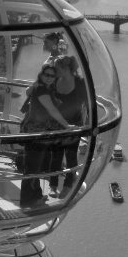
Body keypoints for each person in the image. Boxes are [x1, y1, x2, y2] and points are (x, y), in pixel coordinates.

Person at [19, 64, 70, 207]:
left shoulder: (40, 87)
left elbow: (28, 91)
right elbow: (52, 110)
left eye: (52, 76)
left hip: (37, 132)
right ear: (42, 75)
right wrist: (67, 125)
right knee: (32, 167)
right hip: (37, 133)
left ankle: (36, 195)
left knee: (34, 166)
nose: (49, 78)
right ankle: (27, 200)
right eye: (46, 75)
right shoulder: (42, 89)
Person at [47, 55, 88, 198]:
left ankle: (67, 185)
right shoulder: (54, 81)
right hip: (57, 124)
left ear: (66, 69)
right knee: (56, 155)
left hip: (74, 125)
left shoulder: (80, 83)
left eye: (57, 68)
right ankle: (52, 185)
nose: (55, 70)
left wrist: (88, 124)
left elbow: (88, 104)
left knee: (71, 156)